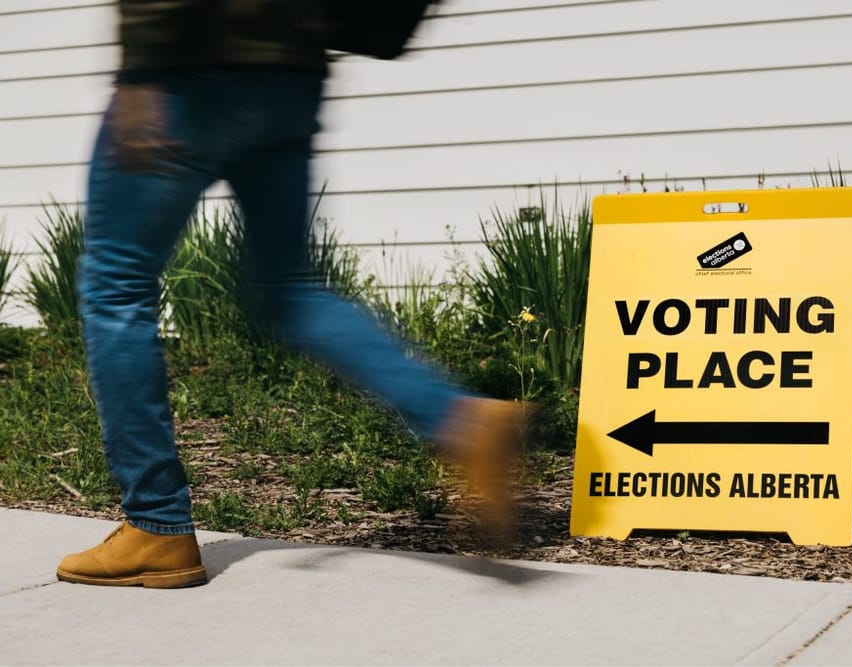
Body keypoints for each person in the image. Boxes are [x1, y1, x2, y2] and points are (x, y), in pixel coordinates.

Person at [56, 0, 528, 589]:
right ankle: (458, 418)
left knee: (117, 287)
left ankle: (156, 525)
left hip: (191, 67)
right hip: (291, 76)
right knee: (291, 290)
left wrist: (141, 71)